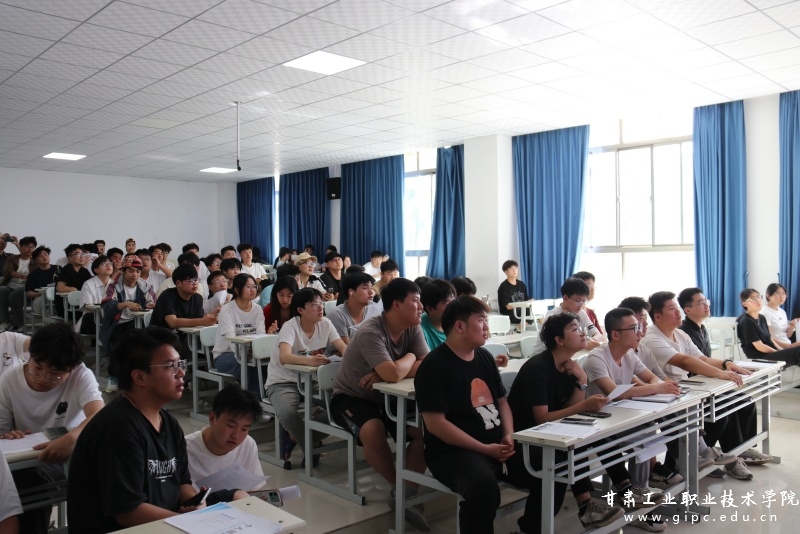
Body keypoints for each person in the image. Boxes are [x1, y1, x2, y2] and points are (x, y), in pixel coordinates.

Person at [67, 327, 246, 533]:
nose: (181, 373)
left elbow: (182, 483)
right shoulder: (118, 428)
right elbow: (128, 513)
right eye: (170, 366)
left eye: (180, 364)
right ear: (139, 377)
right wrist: (191, 523)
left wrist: (195, 504)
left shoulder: (169, 424)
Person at [507, 313, 658, 532]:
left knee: (597, 434)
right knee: (564, 457)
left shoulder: (570, 366)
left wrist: (582, 381)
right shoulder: (537, 368)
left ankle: (621, 493)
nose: (583, 333)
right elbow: (542, 419)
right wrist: (584, 405)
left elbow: (571, 408)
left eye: (582, 328)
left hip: (552, 435)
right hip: (527, 442)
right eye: (575, 329)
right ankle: (542, 524)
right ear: (559, 340)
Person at [415, 296, 539, 534]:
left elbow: (501, 402)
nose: (486, 327)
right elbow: (436, 424)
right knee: (483, 488)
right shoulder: (434, 366)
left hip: (496, 444)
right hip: (452, 452)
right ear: (459, 326)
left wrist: (509, 436)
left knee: (550, 464)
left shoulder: (483, 357)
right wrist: (485, 449)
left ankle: (531, 529)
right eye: (481, 320)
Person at [330, 278, 430, 531]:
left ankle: (406, 494)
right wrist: (408, 359)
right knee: (372, 429)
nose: (421, 307)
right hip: (351, 397)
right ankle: (399, 488)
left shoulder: (413, 327)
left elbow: (428, 364)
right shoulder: (371, 332)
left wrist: (391, 370)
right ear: (396, 304)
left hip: (388, 397)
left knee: (423, 432)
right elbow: (394, 374)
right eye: (415, 301)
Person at [0, 323, 103, 534]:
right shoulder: (10, 379)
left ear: (71, 369)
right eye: (37, 367)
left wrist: (72, 438)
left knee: (28, 484)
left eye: (55, 373)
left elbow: (99, 414)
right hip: (26, 460)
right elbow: (2, 433)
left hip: (68, 459)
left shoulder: (81, 376)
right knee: (22, 483)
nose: (43, 378)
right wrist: (9, 435)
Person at [677, 287, 770, 479]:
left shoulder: (701, 328)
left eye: (706, 302)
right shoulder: (684, 331)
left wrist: (727, 365)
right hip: (696, 388)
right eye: (701, 303)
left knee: (746, 402)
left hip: (708, 382)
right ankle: (732, 458)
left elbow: (705, 359)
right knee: (728, 408)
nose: (706, 306)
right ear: (687, 309)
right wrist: (722, 372)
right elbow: (694, 365)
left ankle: (744, 448)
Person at [266, 288, 347, 468]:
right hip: (283, 382)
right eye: (314, 305)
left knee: (341, 407)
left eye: (321, 304)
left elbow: (343, 348)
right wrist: (310, 361)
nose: (320, 308)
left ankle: (296, 435)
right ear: (300, 310)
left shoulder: (325, 324)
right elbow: (284, 357)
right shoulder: (290, 326)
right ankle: (311, 447)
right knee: (287, 414)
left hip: (313, 381)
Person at [185, 384, 265, 491]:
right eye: (231, 426)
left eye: (244, 429)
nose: (236, 435)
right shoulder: (184, 449)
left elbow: (254, 491)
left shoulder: (248, 445)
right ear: (212, 418)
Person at [212, 273, 266, 396]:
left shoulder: (257, 309)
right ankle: (257, 400)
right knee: (249, 365)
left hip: (250, 354)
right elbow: (231, 340)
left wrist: (253, 352)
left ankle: (267, 398)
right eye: (248, 287)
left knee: (268, 364)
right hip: (225, 355)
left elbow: (261, 335)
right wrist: (246, 354)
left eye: (254, 286)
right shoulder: (227, 309)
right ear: (237, 290)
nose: (253, 290)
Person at [737, 288, 800, 367]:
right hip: (761, 357)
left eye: (758, 297)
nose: (758, 300)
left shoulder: (761, 317)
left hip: (771, 353)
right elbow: (760, 347)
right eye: (753, 298)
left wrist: (781, 350)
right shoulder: (746, 321)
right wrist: (778, 352)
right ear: (745, 304)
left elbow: (770, 339)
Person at [149, 264, 218, 335]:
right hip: (159, 337)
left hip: (184, 337)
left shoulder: (198, 298)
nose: (195, 284)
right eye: (191, 281)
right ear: (178, 283)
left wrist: (211, 317)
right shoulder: (167, 295)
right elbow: (173, 322)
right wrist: (202, 321)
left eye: (196, 280)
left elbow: (197, 322)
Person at [545, 278, 605, 349]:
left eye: (584, 301)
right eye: (578, 300)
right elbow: (556, 345)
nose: (581, 305)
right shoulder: (553, 316)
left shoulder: (581, 313)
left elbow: (599, 335)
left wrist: (594, 340)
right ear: (565, 298)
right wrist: (585, 345)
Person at [326, 272, 381, 346]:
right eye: (365, 288)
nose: (371, 292)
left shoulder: (375, 311)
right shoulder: (336, 315)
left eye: (371, 288)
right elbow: (347, 348)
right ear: (351, 292)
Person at [0, 236, 36, 333]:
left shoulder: (35, 261)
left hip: (27, 287)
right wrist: (22, 276)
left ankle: (19, 324)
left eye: (32, 247)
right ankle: (5, 321)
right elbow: (8, 271)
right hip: (12, 285)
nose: (30, 249)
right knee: (1, 291)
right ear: (21, 247)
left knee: (14, 296)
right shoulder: (12, 258)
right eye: (27, 246)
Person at [54, 243, 92, 319]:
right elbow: (60, 288)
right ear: (69, 258)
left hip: (80, 305)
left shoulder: (84, 271)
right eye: (78, 254)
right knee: (92, 316)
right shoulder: (67, 269)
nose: (82, 256)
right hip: (67, 307)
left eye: (83, 254)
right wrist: (74, 290)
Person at [78, 255, 113, 335]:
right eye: (104, 264)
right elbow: (88, 306)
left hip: (110, 317)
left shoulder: (115, 284)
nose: (108, 265)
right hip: (93, 317)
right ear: (96, 270)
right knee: (89, 318)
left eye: (110, 263)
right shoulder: (88, 284)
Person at [419, 279, 456, 350]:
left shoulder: (457, 323)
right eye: (447, 303)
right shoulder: (419, 329)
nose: (453, 307)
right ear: (430, 309)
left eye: (454, 302)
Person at [496, 259, 532, 331]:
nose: (514, 271)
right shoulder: (503, 287)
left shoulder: (521, 284)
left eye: (515, 268)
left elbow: (526, 299)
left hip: (522, 311)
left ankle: (546, 332)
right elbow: (508, 307)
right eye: (511, 269)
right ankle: (517, 330)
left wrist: (531, 301)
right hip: (509, 314)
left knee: (537, 310)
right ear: (506, 272)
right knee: (529, 311)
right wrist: (523, 304)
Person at [760, 283, 799, 348]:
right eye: (777, 293)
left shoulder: (782, 311)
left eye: (784, 293)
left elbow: (788, 335)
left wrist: (792, 324)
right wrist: (789, 346)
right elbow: (768, 338)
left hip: (787, 345)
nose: (782, 296)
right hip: (776, 348)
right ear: (768, 295)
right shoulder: (765, 312)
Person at [24, 246, 59, 317]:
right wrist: (41, 293)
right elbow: (28, 293)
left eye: (46, 254)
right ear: (35, 260)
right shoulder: (33, 275)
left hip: (57, 299)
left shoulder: (58, 269)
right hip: (40, 301)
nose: (44, 257)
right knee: (48, 296)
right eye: (40, 256)